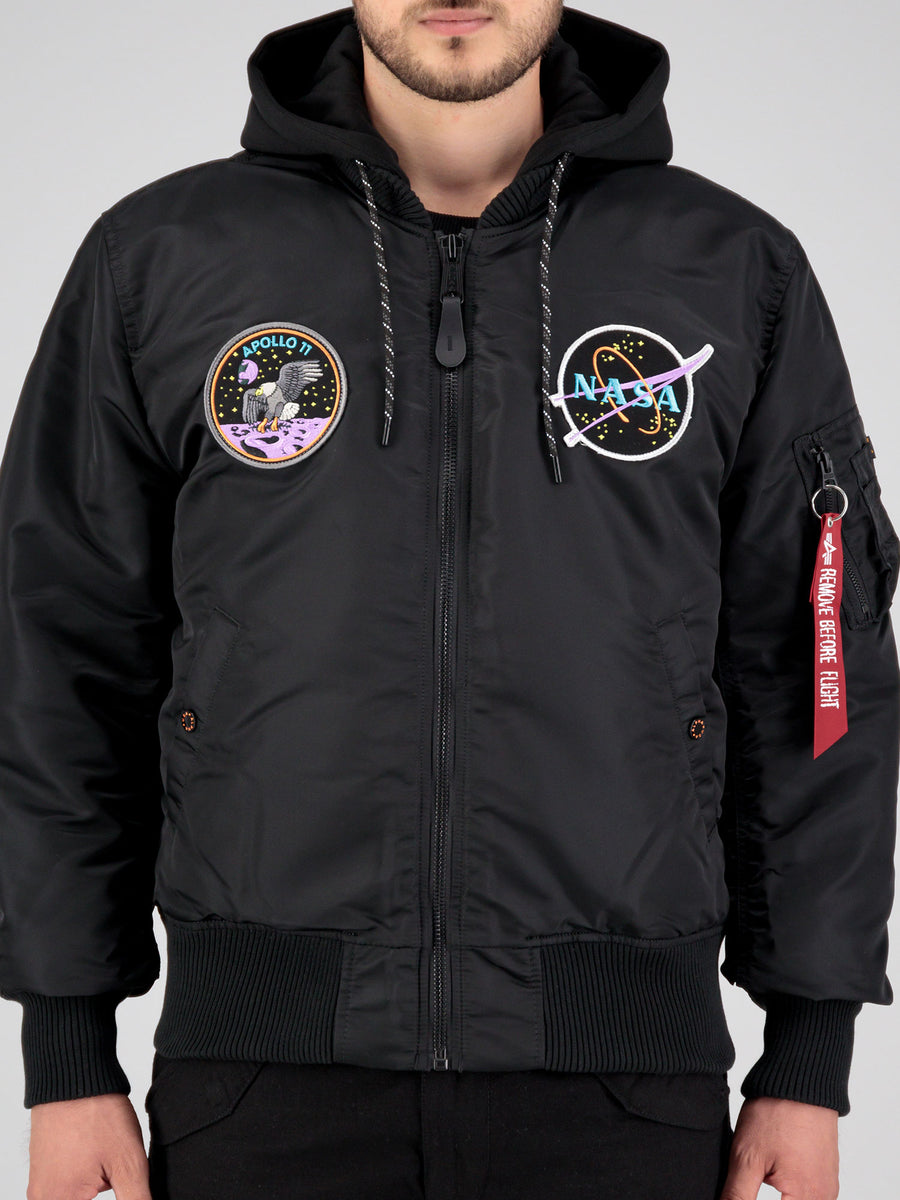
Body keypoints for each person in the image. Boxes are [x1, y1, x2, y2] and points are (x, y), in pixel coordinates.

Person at [1, 3, 897, 1198]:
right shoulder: (163, 258)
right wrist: (66, 1048)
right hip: (259, 1089)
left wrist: (809, 1052)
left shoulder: (732, 269)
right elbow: (58, 652)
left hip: (623, 1094)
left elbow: (816, 667)